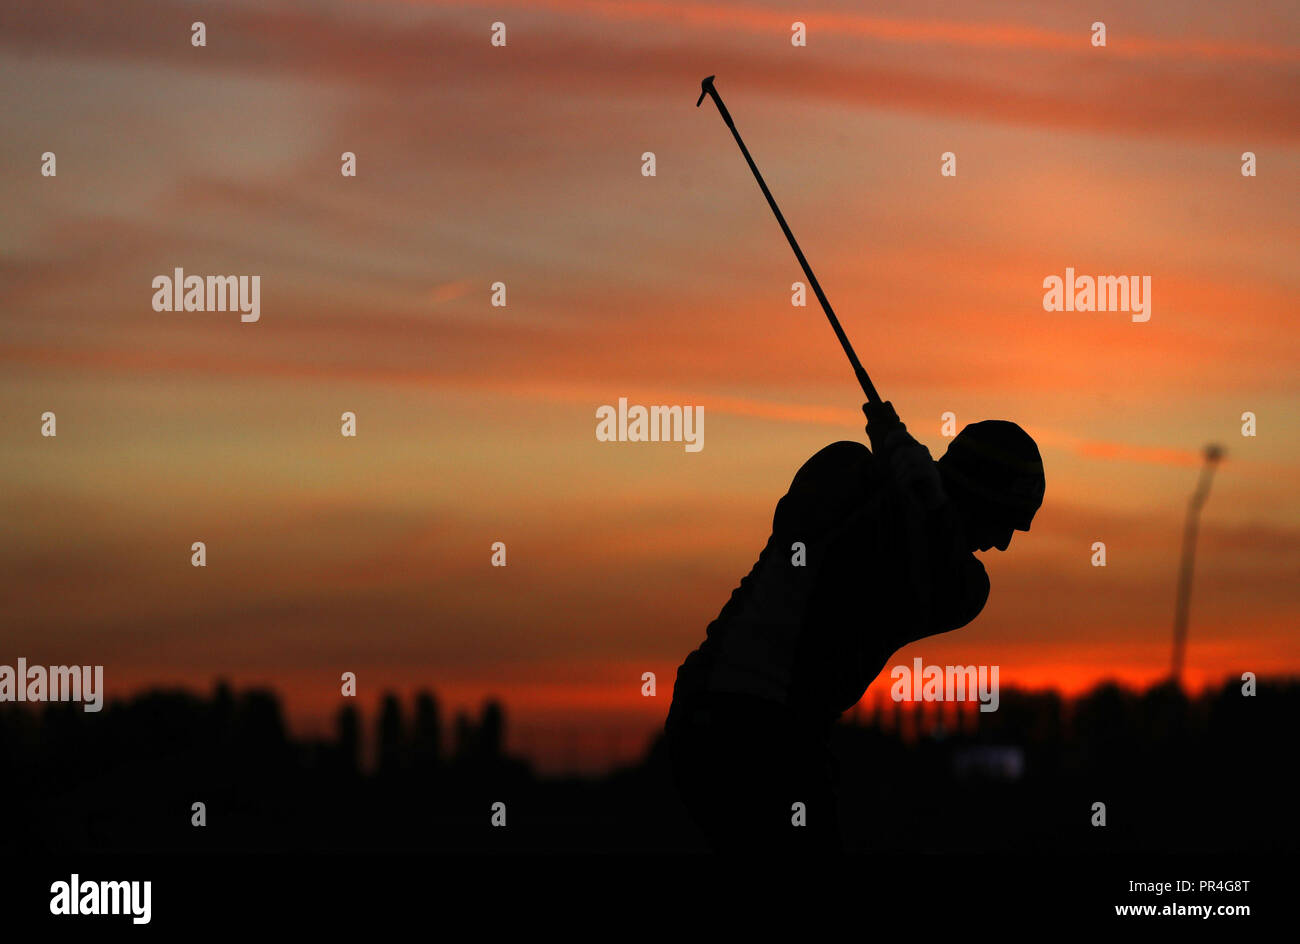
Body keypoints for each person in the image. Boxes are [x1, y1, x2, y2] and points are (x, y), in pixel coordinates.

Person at [664, 400, 1045, 852]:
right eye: (1005, 523)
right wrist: (894, 480)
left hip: (777, 731)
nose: (1001, 544)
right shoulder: (847, 470)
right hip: (739, 721)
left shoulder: (965, 588)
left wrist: (917, 494)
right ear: (977, 494)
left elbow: (927, 565)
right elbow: (815, 537)